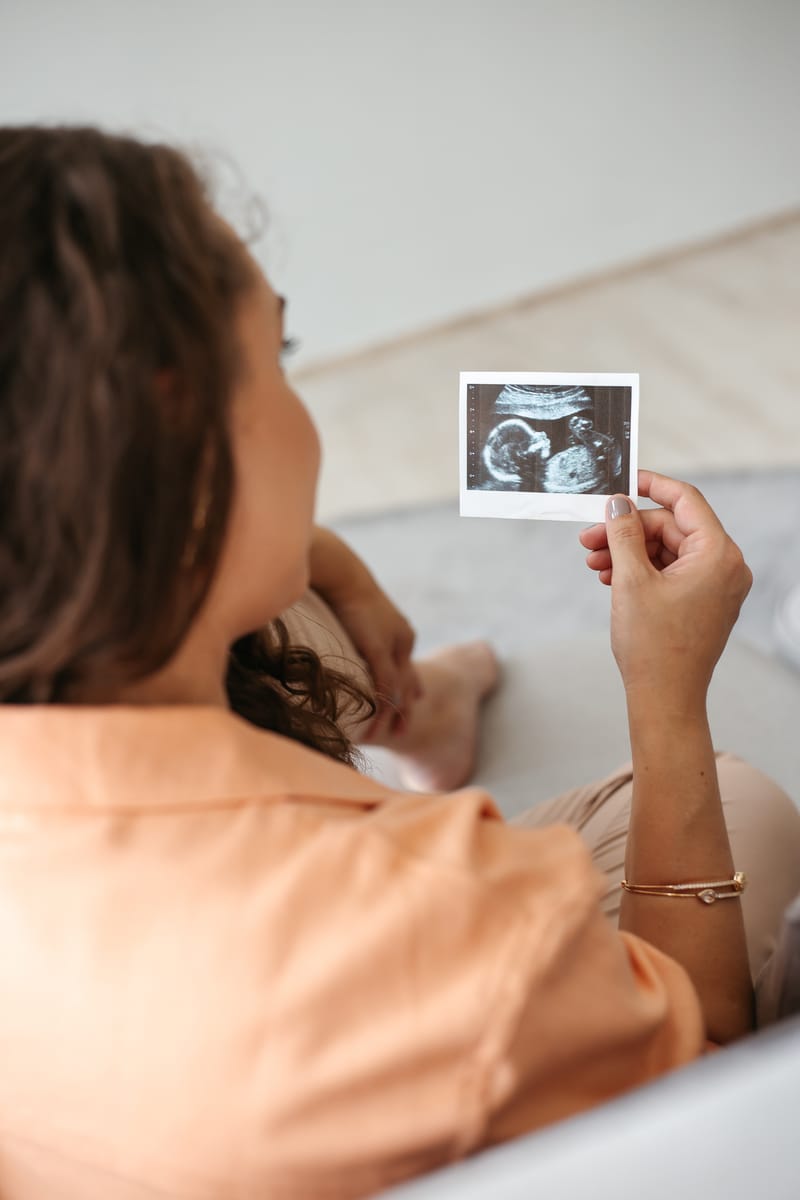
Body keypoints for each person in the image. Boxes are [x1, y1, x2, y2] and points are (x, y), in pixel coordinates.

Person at [0, 125, 798, 1200]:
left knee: (299, 616)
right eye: (276, 359)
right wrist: (666, 692)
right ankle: (443, 705)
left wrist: (337, 573)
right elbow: (690, 1080)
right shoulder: (445, 913)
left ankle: (435, 706)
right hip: (386, 1018)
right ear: (181, 433)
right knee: (740, 802)